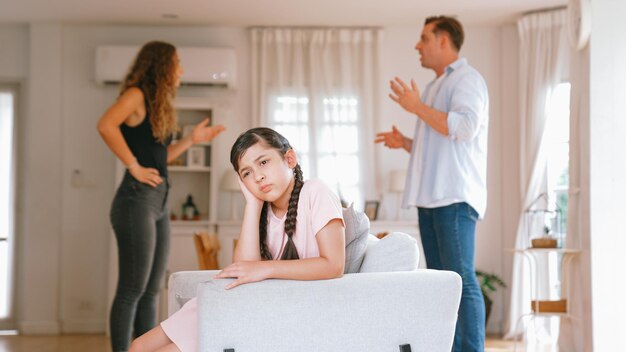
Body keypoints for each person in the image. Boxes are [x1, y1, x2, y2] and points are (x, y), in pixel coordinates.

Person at [128, 127, 346, 352]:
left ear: (289, 158)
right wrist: (253, 204)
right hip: (237, 303)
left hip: (267, 310)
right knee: (137, 346)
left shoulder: (316, 191)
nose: (258, 176)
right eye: (247, 173)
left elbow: (334, 265)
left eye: (263, 162)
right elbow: (244, 267)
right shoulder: (263, 211)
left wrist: (266, 269)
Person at [97, 41, 226, 352]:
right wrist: (133, 166)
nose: (181, 69)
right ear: (161, 66)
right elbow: (105, 125)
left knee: (152, 289)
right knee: (132, 288)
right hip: (135, 200)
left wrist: (192, 139)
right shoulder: (137, 94)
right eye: (177, 63)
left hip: (158, 202)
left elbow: (161, 157)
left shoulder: (157, 104)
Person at [375, 16, 489, 352]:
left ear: (443, 40)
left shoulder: (467, 79)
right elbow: (442, 145)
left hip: (453, 198)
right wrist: (408, 143)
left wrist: (417, 108)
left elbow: (466, 128)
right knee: (442, 283)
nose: (417, 45)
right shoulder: (433, 86)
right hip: (432, 199)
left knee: (460, 279)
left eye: (424, 38)